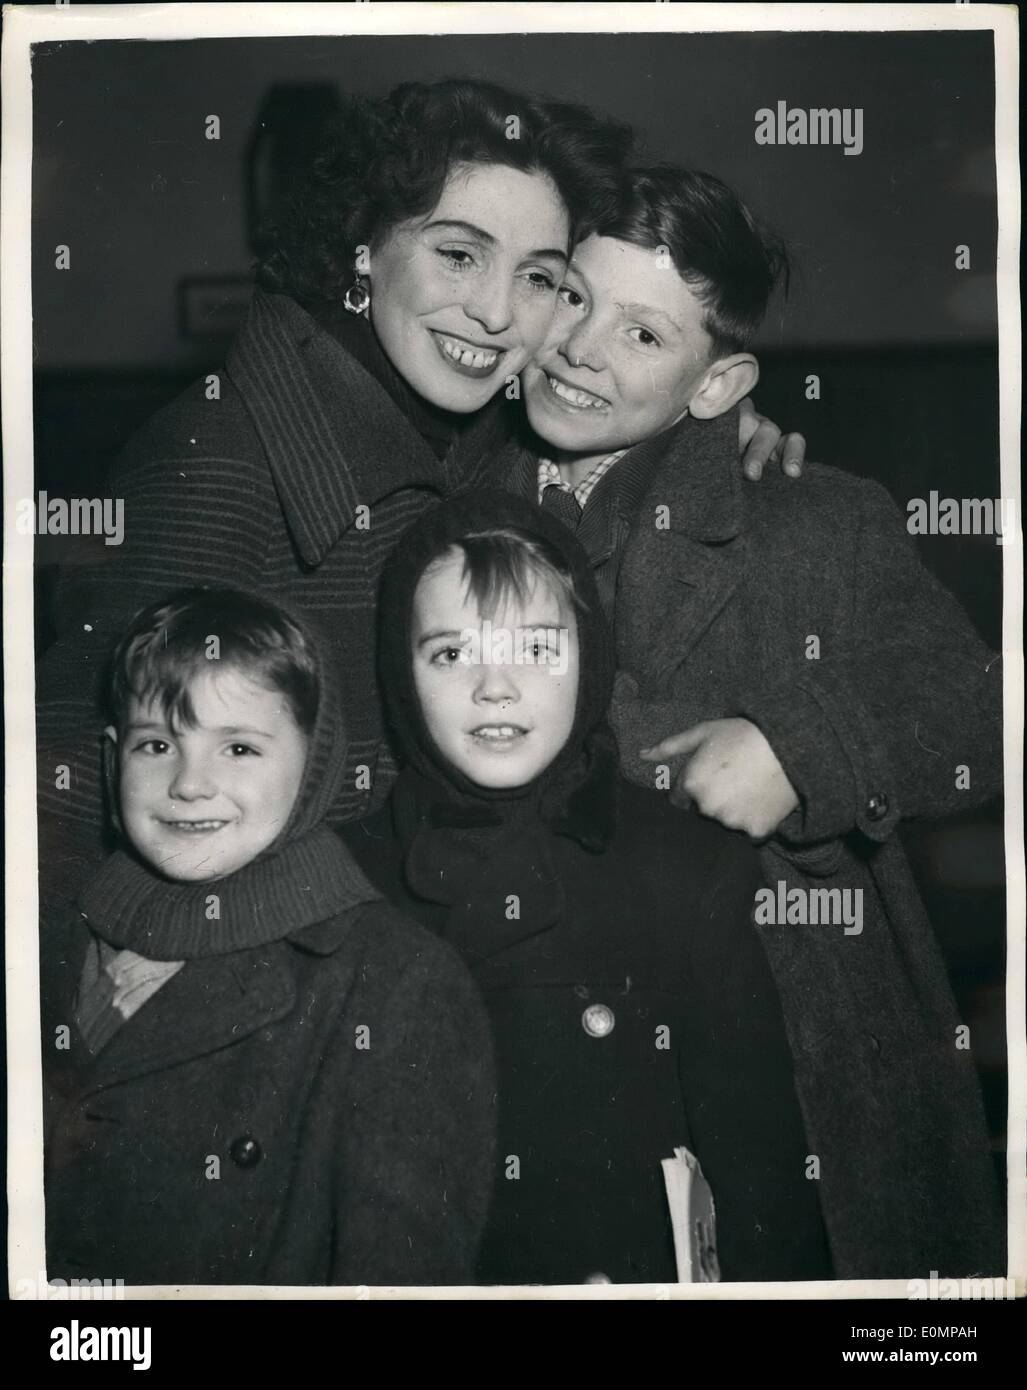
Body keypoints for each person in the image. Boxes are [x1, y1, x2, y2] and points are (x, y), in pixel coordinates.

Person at [36, 80, 803, 905]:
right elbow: (66, 795)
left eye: (539, 278)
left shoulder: (475, 435)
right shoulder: (216, 461)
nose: (495, 313)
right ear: (363, 246)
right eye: (458, 254)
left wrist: (699, 437)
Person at [479, 165, 1006, 1277]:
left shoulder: (816, 522)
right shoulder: (440, 503)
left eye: (643, 335)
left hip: (784, 1044)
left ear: (718, 387)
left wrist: (803, 748)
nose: (581, 350)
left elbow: (979, 708)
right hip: (525, 1044)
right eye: (571, 297)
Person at [341, 491, 833, 1285]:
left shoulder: (683, 866)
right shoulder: (343, 879)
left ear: (592, 655)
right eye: (450, 653)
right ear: (400, 674)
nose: (494, 688)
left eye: (536, 650)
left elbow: (759, 1168)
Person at [41, 586, 495, 1286]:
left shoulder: (393, 985)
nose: (190, 784)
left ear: (315, 763)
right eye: (157, 744)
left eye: (240, 748)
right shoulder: (49, 935)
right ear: (110, 762)